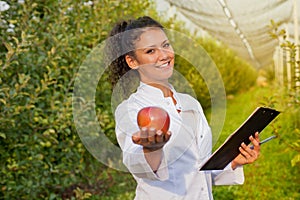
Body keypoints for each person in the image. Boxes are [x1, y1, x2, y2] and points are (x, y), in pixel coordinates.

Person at [106, 16, 260, 200]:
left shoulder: (189, 103)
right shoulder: (130, 109)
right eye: (150, 51)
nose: (164, 55)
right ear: (133, 61)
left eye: (166, 45)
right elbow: (137, 164)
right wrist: (151, 150)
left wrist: (233, 162)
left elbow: (199, 169)